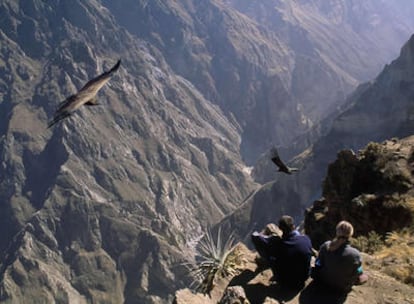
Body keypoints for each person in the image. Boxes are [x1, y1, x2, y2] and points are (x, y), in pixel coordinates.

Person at [251, 215, 313, 289]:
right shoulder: (306, 239)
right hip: (303, 278)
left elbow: (255, 236)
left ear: (280, 229)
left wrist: (272, 238)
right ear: (293, 226)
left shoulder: (278, 245)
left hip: (285, 282)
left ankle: (264, 264)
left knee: (271, 256)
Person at [311, 220, 368, 294]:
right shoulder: (355, 254)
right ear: (350, 235)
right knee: (364, 277)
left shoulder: (326, 246)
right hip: (342, 288)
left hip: (323, 281)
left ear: (337, 232)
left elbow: (318, 263)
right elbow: (358, 271)